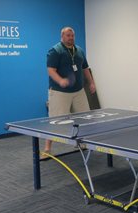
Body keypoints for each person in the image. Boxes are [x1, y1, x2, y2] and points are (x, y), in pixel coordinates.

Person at [43, 27, 96, 157]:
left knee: (84, 118)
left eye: (72, 36)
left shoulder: (79, 50)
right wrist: (60, 80)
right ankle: (47, 149)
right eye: (68, 35)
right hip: (60, 92)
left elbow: (85, 68)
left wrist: (91, 82)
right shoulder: (55, 51)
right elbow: (50, 70)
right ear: (62, 36)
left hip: (78, 91)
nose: (71, 38)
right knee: (55, 121)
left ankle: (81, 143)